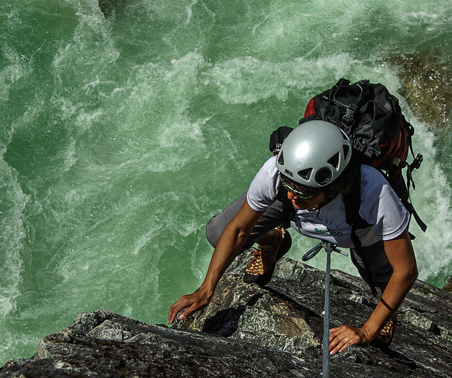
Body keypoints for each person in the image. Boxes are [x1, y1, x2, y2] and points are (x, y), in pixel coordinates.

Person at [168, 120, 418, 354]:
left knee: (382, 278)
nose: (291, 198)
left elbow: (405, 271)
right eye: (288, 187)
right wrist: (205, 289)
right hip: (304, 217)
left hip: (361, 233)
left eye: (302, 193)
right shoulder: (278, 173)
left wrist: (366, 330)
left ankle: (386, 313)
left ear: (335, 186)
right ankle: (272, 243)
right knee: (218, 231)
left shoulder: (374, 191)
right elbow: (237, 230)